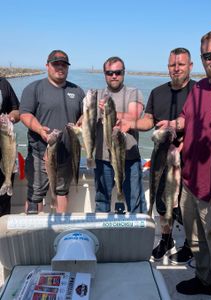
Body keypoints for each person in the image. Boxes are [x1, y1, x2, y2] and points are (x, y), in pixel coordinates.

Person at [157, 29, 211, 298]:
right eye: (207, 55)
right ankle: (203, 280)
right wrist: (173, 124)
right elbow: (187, 119)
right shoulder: (199, 88)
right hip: (190, 184)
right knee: (197, 243)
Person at [120, 48, 194, 264]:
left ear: (190, 66)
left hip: (190, 157)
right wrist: (131, 123)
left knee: (186, 204)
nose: (176, 68)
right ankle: (166, 238)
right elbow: (148, 121)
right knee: (162, 203)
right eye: (172, 65)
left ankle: (190, 244)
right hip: (161, 156)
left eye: (181, 64)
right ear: (168, 67)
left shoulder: (198, 91)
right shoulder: (158, 92)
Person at [20, 50, 85, 214]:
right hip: (40, 154)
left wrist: (84, 119)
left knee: (62, 192)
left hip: (67, 154)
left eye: (64, 64)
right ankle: (32, 233)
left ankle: (59, 230)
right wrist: (40, 129)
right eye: (56, 64)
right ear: (47, 65)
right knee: (35, 195)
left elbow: (85, 115)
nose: (60, 67)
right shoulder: (34, 88)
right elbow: (25, 114)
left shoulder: (77, 91)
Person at [94, 56, 147, 213]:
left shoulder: (133, 93)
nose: (114, 76)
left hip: (128, 158)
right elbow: (86, 118)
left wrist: (111, 111)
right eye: (109, 72)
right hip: (102, 159)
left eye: (118, 72)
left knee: (135, 202)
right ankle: (101, 234)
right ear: (104, 74)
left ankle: (138, 236)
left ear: (124, 73)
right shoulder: (96, 94)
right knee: (101, 200)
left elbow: (134, 116)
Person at [0, 77, 20, 216]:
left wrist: (11, 117)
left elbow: (17, 110)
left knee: (3, 200)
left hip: (4, 150)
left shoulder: (3, 83)